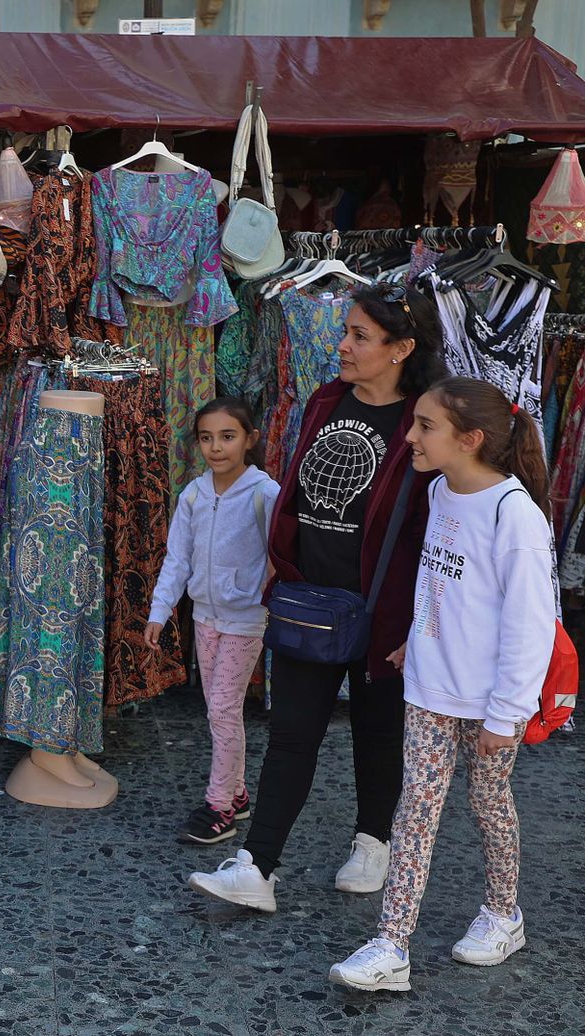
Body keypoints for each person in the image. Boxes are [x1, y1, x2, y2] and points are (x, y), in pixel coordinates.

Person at [189, 283, 446, 912]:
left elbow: (434, 520)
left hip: (385, 608)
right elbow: (298, 489)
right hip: (310, 599)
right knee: (293, 733)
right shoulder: (328, 399)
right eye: (346, 331)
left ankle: (373, 839)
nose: (343, 345)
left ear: (400, 348)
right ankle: (258, 866)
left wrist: (420, 620)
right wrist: (284, 568)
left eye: (360, 335)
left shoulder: (425, 418)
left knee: (376, 732)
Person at [330, 378, 554, 992]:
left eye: (425, 426)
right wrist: (417, 641)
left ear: (471, 439)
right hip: (430, 687)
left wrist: (507, 713)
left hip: (488, 703)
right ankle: (390, 945)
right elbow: (440, 585)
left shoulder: (515, 515)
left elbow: (530, 623)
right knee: (415, 814)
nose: (410, 436)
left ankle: (505, 914)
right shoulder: (440, 493)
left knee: (490, 807)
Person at [146, 398, 280, 845]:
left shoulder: (264, 494)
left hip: (245, 619)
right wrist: (160, 611)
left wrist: (261, 596)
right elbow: (178, 556)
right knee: (218, 708)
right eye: (207, 438)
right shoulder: (194, 494)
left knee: (223, 708)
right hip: (205, 617)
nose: (216, 448)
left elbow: (280, 556)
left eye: (228, 436)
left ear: (249, 440)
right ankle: (237, 794)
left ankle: (219, 805)